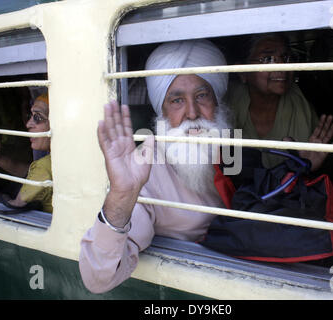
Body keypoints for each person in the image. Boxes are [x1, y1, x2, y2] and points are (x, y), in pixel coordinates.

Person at [79, 39, 231, 293]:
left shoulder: (232, 145)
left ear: (217, 102)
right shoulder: (144, 173)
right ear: (161, 111)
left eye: (202, 95)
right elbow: (98, 279)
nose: (192, 113)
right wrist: (122, 195)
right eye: (176, 100)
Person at [227, 33, 333, 171]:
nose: (282, 66)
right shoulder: (225, 107)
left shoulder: (301, 108)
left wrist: (306, 167)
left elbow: (313, 169)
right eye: (268, 59)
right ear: (242, 72)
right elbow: (228, 175)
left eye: (286, 58)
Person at [8, 93, 53, 213]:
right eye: (30, 116)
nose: (28, 124)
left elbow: (14, 206)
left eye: (37, 117)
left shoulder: (44, 167)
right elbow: (28, 172)